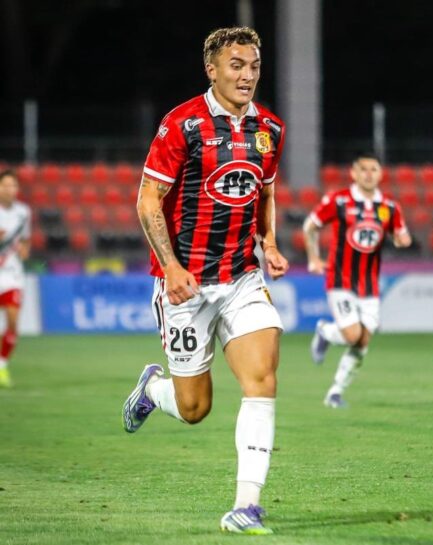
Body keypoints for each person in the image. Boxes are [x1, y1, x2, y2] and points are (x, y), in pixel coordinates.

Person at [120, 27, 288, 535]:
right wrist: (171, 266)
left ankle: (246, 506)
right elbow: (148, 200)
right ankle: (154, 388)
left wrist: (269, 242)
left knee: (262, 379)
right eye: (236, 65)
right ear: (212, 70)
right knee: (195, 408)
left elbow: (264, 192)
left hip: (241, 277)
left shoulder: (270, 128)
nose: (247, 75)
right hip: (186, 284)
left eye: (254, 65)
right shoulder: (183, 124)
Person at [304, 152, 411, 408]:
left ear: (380, 174)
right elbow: (310, 226)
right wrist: (314, 258)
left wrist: (402, 240)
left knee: (363, 341)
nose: (368, 174)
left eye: (373, 169)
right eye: (363, 169)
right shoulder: (339, 200)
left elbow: (401, 235)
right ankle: (325, 331)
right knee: (353, 335)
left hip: (370, 285)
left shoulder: (389, 206)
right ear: (353, 173)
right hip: (340, 279)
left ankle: (335, 393)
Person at [0, 169, 31, 388]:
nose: (10, 189)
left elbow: (26, 239)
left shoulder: (23, 212)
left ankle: (2, 366)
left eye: (13, 185)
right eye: (6, 185)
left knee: (12, 322)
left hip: (12, 274)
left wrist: (24, 250)